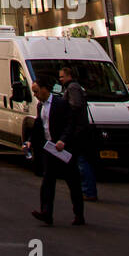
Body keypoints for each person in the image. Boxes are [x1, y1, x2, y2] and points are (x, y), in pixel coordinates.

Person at [28, 78, 85, 227]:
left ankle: (79, 214)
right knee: (47, 181)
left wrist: (63, 140)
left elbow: (69, 123)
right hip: (50, 149)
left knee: (73, 182)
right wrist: (30, 141)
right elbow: (39, 125)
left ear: (45, 89)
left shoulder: (60, 104)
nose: (35, 95)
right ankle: (46, 213)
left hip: (63, 149)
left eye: (36, 91)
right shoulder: (41, 106)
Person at [59, 63, 97, 202]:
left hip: (79, 131)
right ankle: (86, 189)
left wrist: (65, 111)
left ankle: (88, 191)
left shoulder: (73, 87)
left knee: (82, 161)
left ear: (69, 76)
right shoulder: (72, 87)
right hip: (79, 129)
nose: (60, 79)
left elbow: (75, 105)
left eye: (62, 77)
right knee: (80, 160)